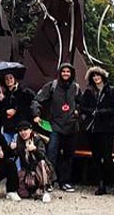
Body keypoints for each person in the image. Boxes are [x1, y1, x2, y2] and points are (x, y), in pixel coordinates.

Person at [32, 63, 80, 193]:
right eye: (63, 71)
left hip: (72, 126)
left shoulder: (76, 87)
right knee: (51, 154)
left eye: (68, 72)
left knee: (68, 157)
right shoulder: (52, 86)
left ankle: (65, 182)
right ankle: (49, 181)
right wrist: (36, 114)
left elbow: (82, 103)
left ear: (71, 74)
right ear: (60, 73)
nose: (65, 74)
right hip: (55, 126)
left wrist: (78, 112)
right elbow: (37, 100)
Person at [80, 66, 114, 196]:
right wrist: (91, 112)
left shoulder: (110, 90)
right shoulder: (88, 91)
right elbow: (83, 107)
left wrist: (101, 112)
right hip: (93, 128)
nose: (96, 78)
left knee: (107, 158)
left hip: (106, 128)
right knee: (96, 158)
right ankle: (100, 184)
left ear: (102, 76)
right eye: (94, 76)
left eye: (98, 75)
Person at [15, 121, 53, 203]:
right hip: (28, 170)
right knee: (23, 194)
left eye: (25, 129)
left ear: (30, 130)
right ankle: (33, 189)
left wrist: (35, 149)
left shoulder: (37, 139)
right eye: (20, 130)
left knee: (42, 163)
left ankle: (45, 189)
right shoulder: (18, 140)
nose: (23, 132)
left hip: (41, 169)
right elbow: (15, 156)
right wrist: (11, 149)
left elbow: (42, 156)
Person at [0, 73, 36, 148]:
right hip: (7, 127)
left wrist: (15, 110)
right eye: (6, 79)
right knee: (8, 149)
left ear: (15, 79)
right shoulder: (4, 94)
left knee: (19, 149)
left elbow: (30, 103)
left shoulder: (23, 91)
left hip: (19, 127)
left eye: (11, 78)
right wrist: (1, 101)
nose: (9, 80)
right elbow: (0, 111)